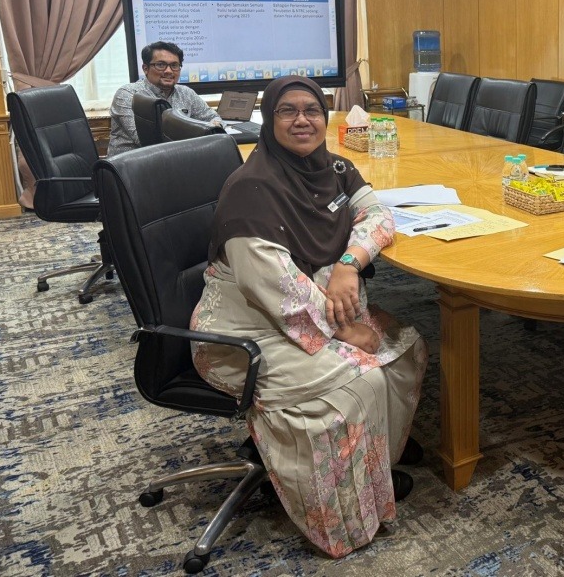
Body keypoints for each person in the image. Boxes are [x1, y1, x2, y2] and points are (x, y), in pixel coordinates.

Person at [190, 75, 427, 558]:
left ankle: (375, 468)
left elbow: (379, 217)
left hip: (310, 307)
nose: (302, 120)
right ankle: (346, 523)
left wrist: (349, 262)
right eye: (288, 111)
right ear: (269, 119)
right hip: (243, 332)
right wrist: (345, 331)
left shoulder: (333, 168)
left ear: (325, 116)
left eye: (312, 110)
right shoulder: (251, 190)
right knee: (359, 381)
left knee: (407, 347)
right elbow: (275, 289)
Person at [107, 41, 222, 157]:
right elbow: (146, 140)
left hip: (177, 159)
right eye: (161, 65)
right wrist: (201, 131)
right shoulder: (128, 94)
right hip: (131, 163)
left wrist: (214, 126)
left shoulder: (186, 93)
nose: (169, 71)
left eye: (174, 65)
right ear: (145, 68)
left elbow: (213, 117)